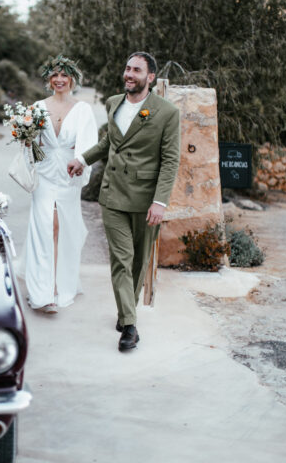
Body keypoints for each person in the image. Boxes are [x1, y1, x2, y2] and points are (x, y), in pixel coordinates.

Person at [67, 52, 180, 350]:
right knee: (121, 259)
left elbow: (170, 160)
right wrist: (82, 159)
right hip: (113, 194)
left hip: (146, 200)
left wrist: (160, 201)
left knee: (139, 262)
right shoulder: (113, 102)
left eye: (137, 70)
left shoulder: (167, 112)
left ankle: (126, 311)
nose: (129, 74)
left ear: (150, 77)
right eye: (128, 68)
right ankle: (130, 325)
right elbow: (110, 142)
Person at [23, 55, 98, 314]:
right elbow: (30, 143)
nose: (59, 79)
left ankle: (60, 281)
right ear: (49, 79)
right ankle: (44, 291)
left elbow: (89, 144)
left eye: (64, 75)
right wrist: (25, 138)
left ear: (72, 79)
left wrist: (81, 162)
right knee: (45, 226)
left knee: (64, 228)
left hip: (69, 174)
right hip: (44, 174)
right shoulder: (37, 107)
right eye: (54, 75)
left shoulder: (83, 109)